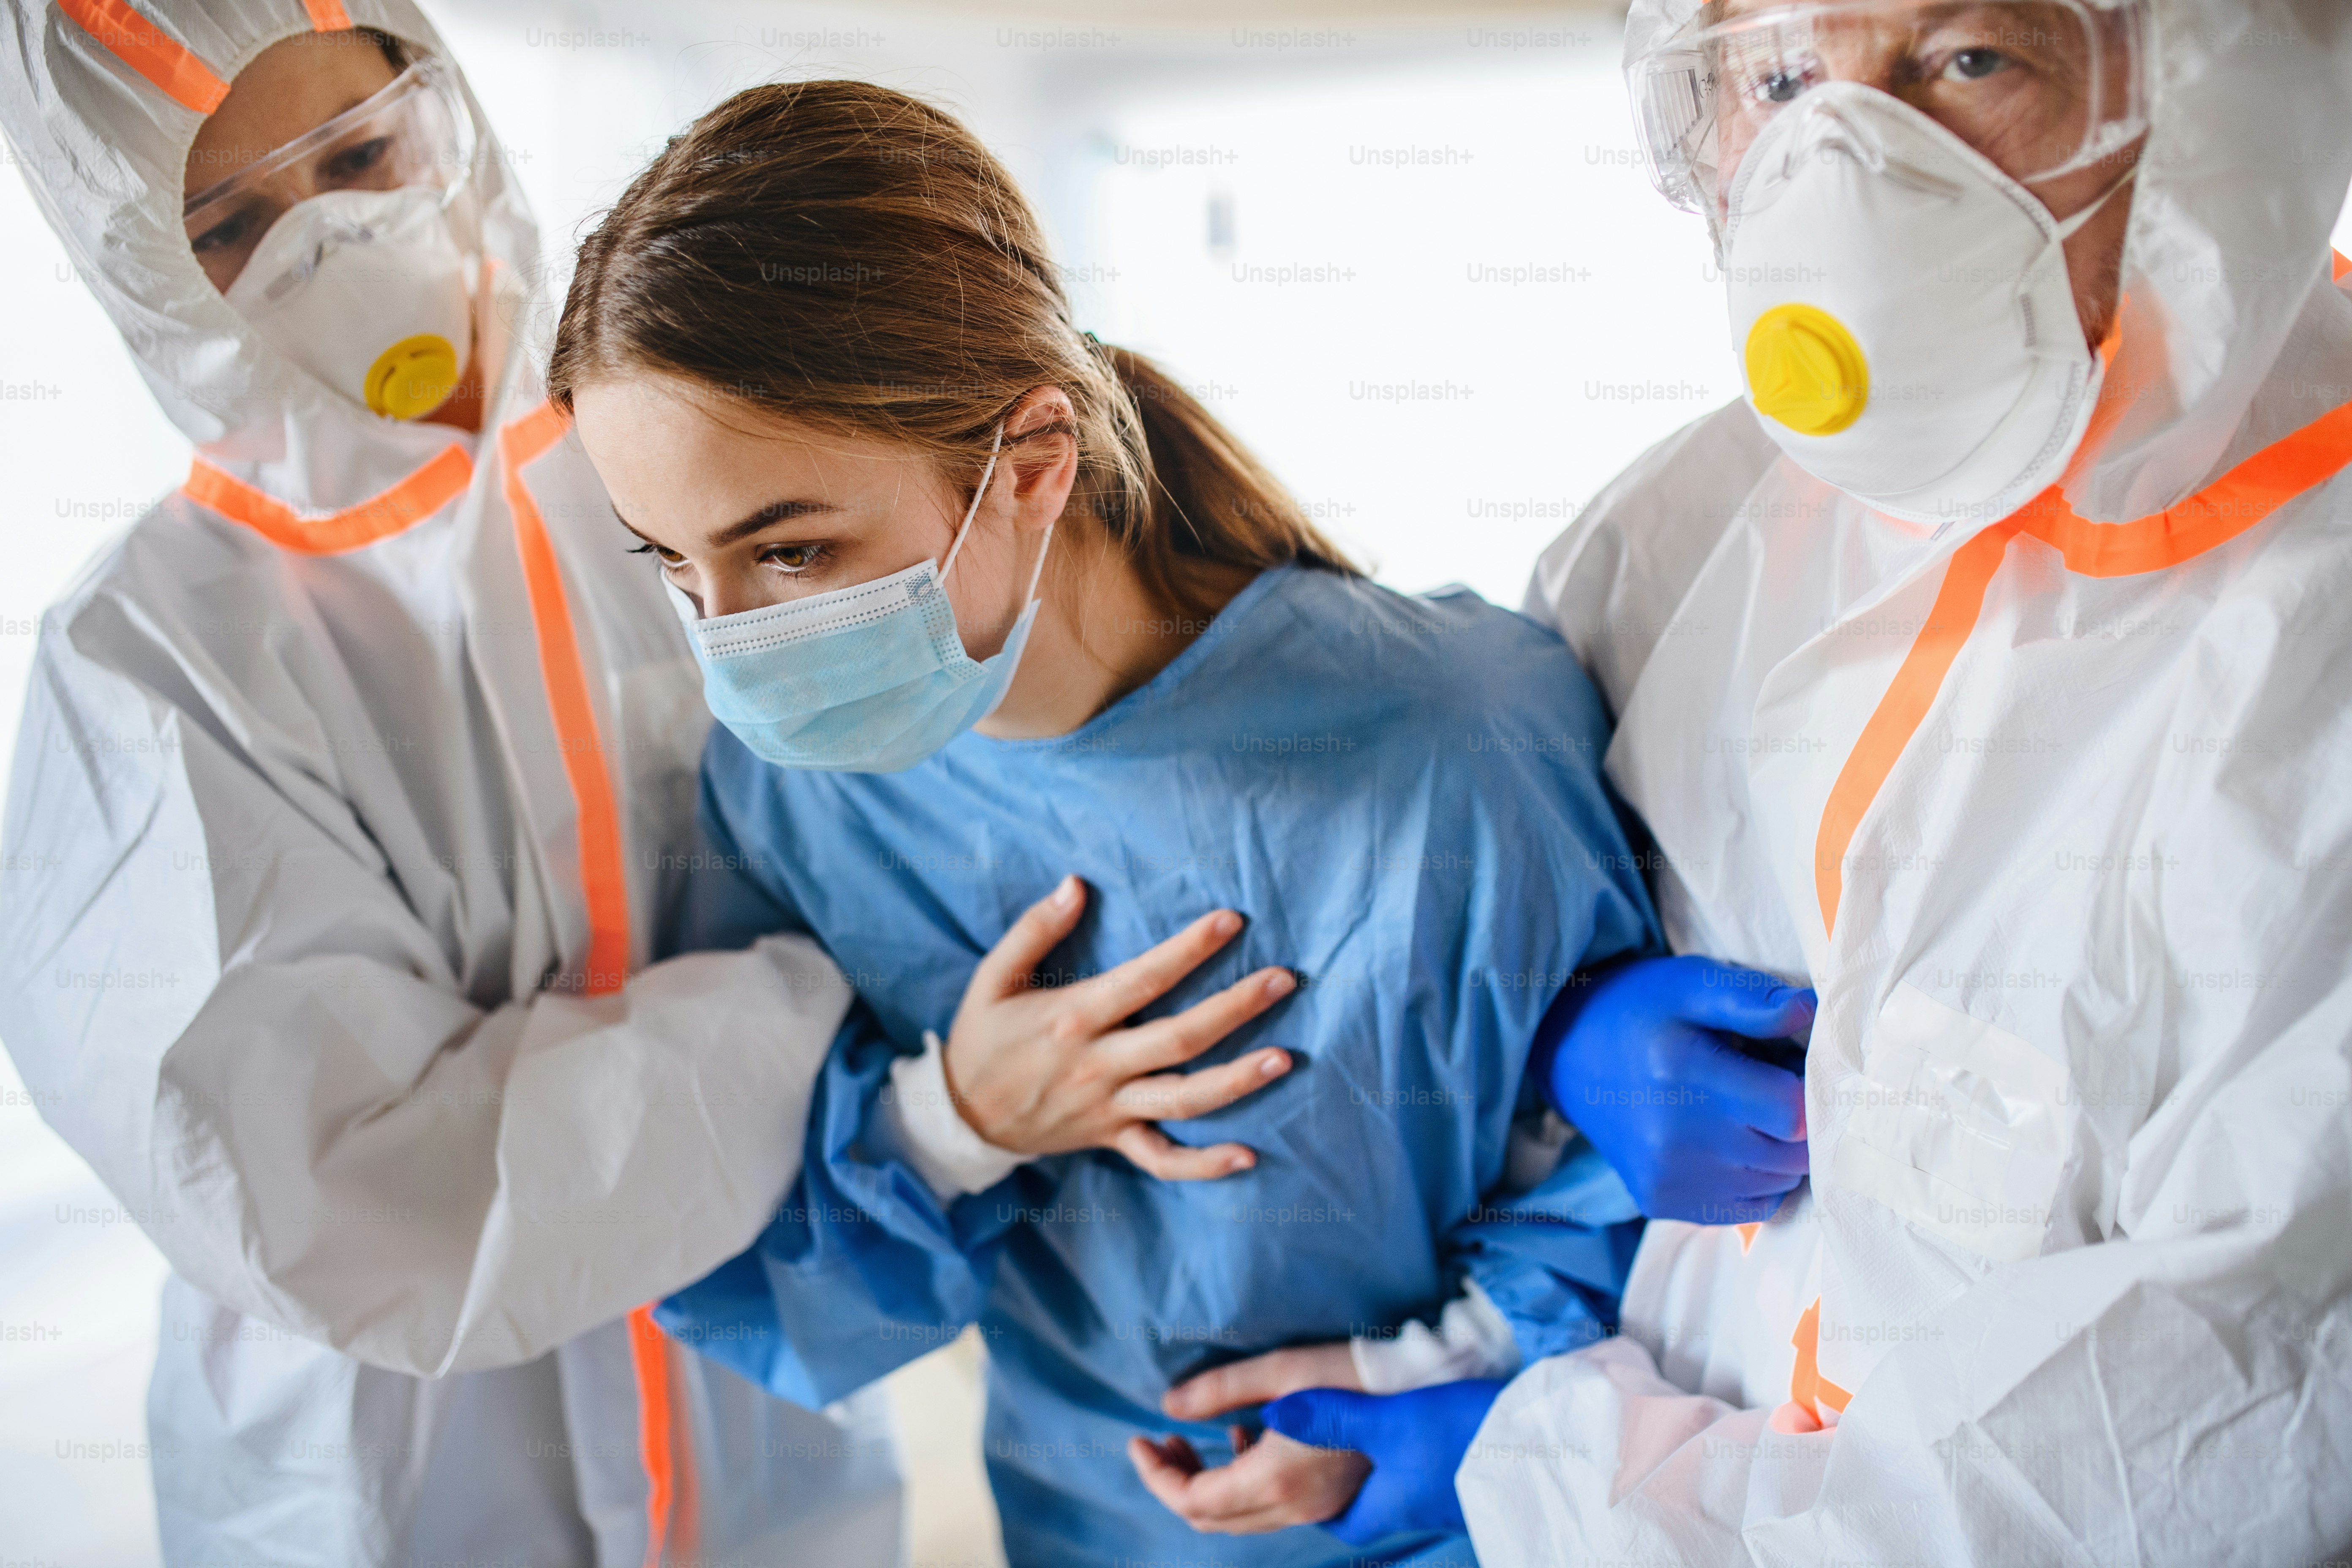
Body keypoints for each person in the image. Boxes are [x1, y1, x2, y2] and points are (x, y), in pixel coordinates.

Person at [0, 7, 1296, 1564]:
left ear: (445, 106)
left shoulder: (676, 457)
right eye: (234, 223)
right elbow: (349, 1202)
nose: (333, 241)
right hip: (403, 1486)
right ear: (139, 265)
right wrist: (872, 1076)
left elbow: (943, 828)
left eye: (359, 157)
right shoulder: (146, 667)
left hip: (776, 1427)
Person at [542, 79, 1816, 1568]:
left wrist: (1425, 1387)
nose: (734, 644)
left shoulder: (1451, 739)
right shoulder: (791, 800)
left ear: (1028, 463)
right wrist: (958, 1122)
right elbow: (760, 1265)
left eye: (794, 552)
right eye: (675, 571)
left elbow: (1633, 1217)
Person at [1243, 0, 2352, 1561]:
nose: (1837, 167)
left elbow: (2206, 1445)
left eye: (1968, 59)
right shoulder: (1674, 538)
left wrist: (1551, 1478)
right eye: (1776, 78)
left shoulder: (2311, 647)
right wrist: (1551, 1040)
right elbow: (1452, 999)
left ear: (2212, 97)